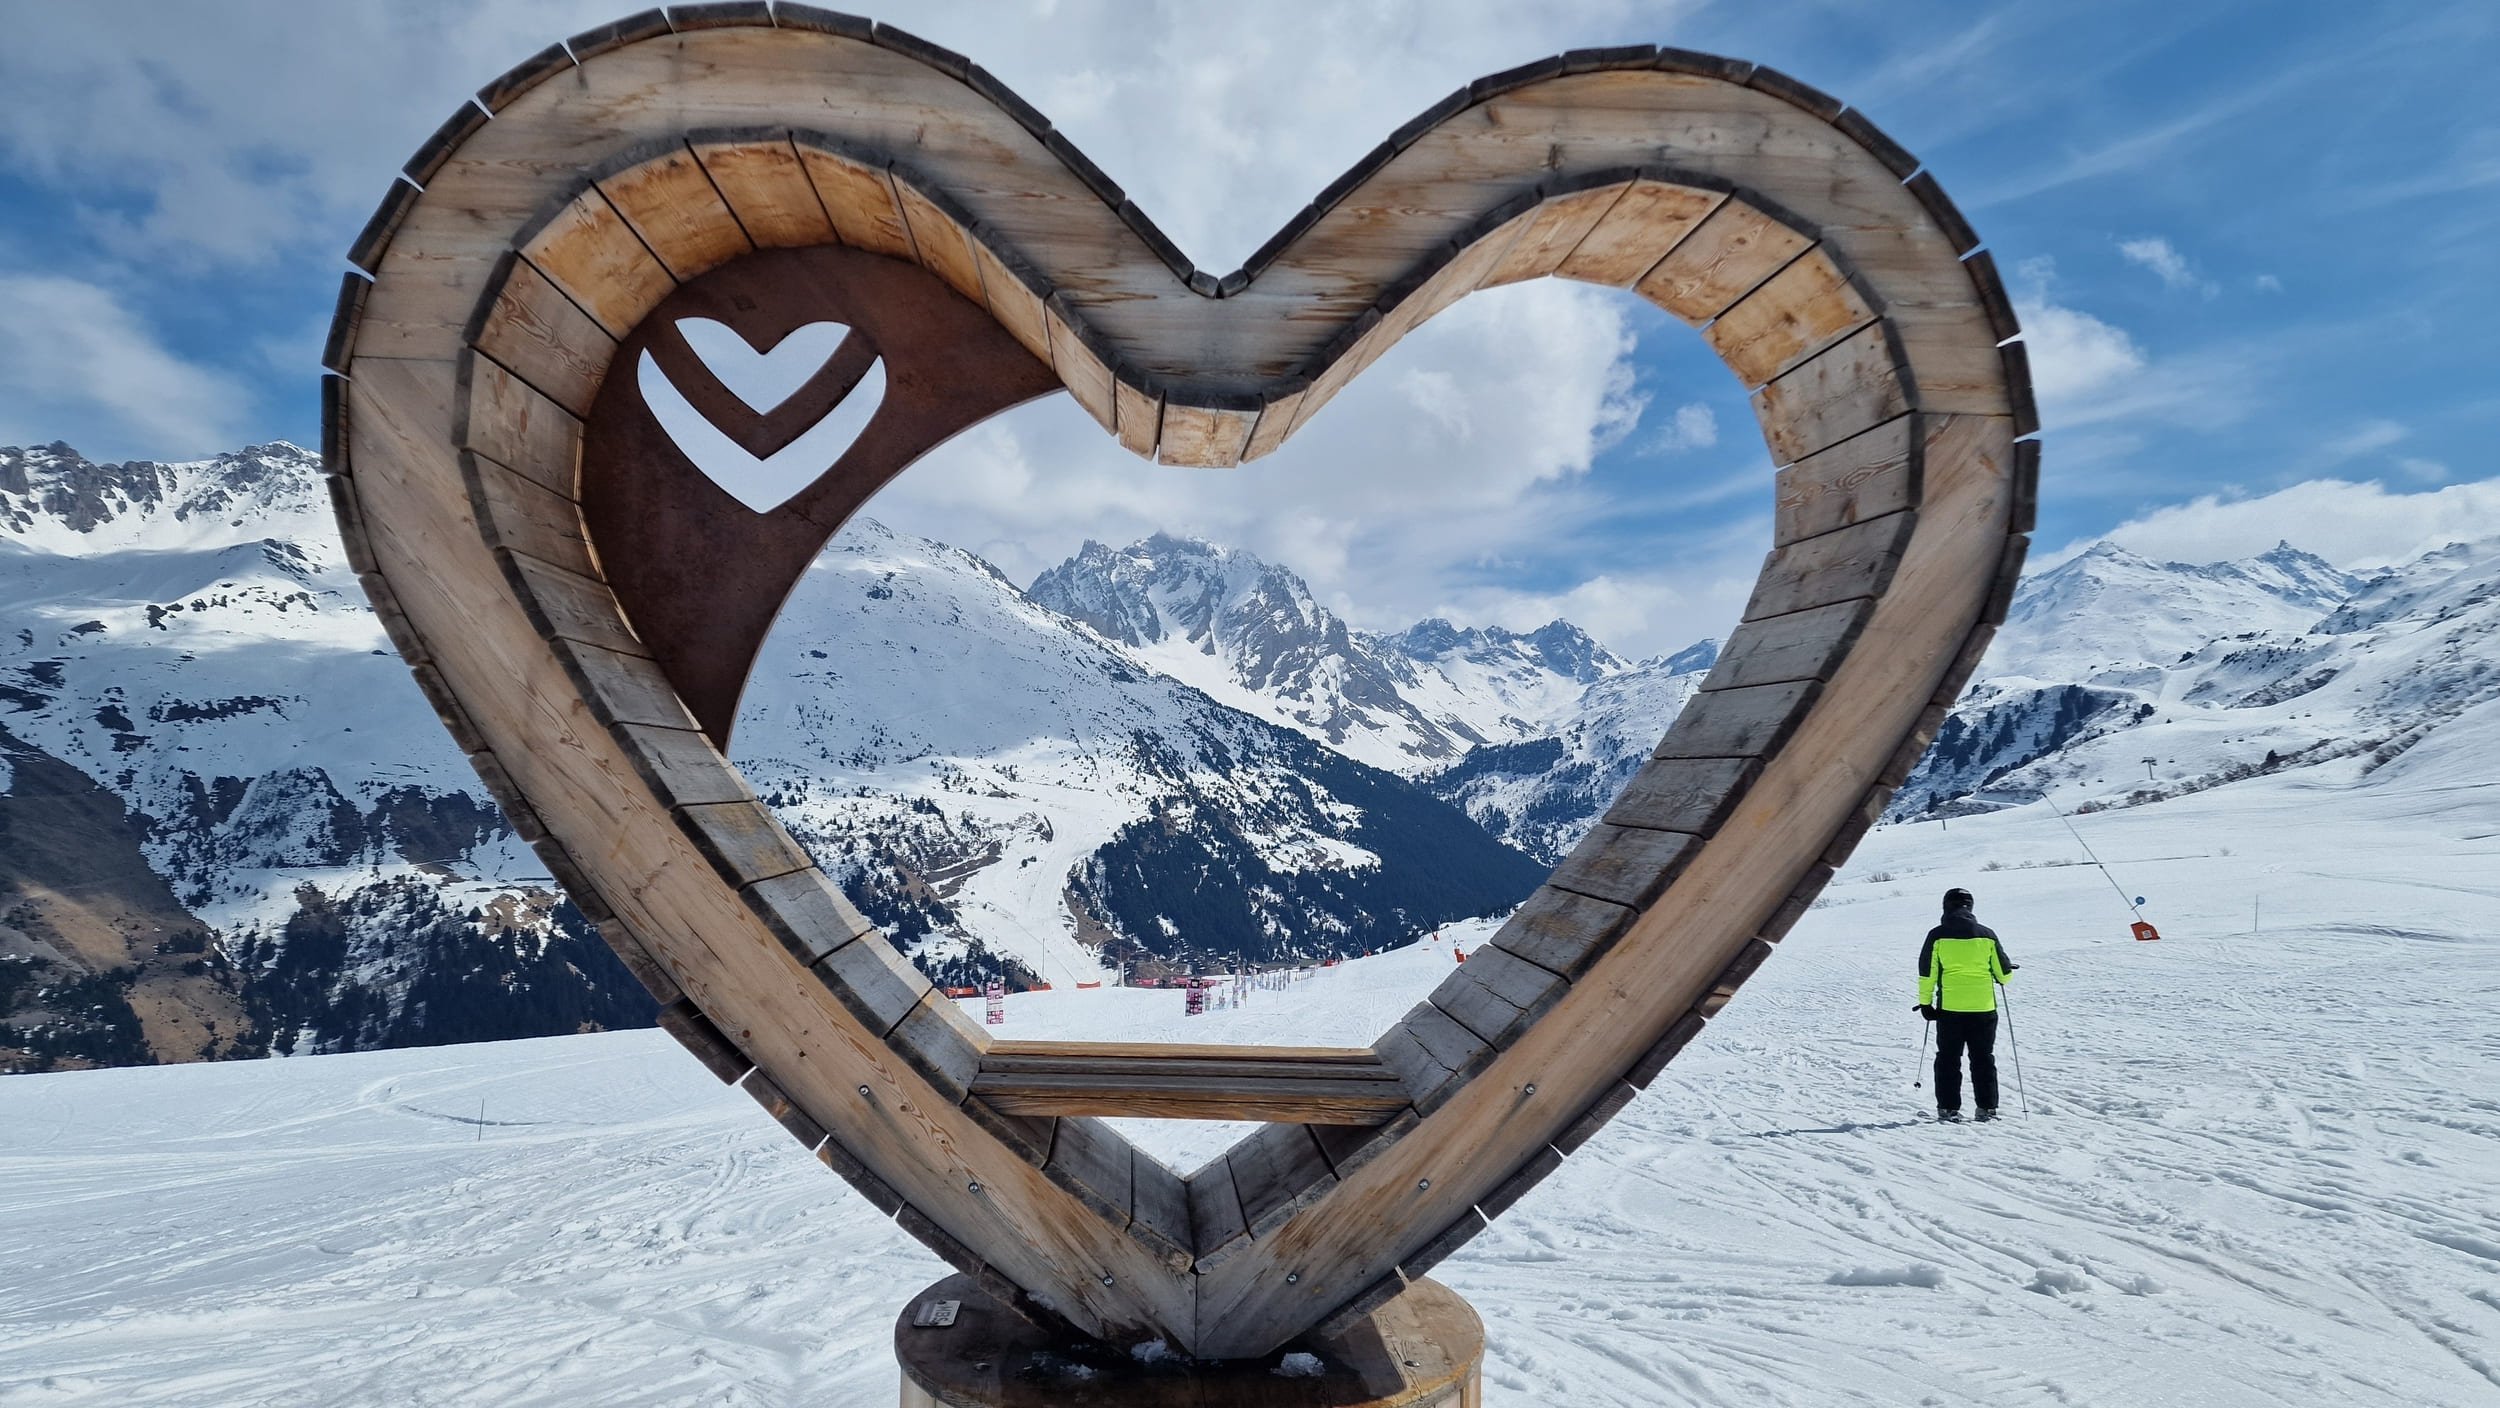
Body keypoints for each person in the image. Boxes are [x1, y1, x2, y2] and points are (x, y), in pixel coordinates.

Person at [1917, 887, 2017, 1122]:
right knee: (1983, 1058)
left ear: (1946, 907)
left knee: (1949, 1058)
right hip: (1983, 1008)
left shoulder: (1937, 935)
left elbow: (1927, 972)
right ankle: (1987, 1108)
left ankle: (1948, 1108)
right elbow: (2003, 975)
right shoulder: (1987, 934)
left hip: (1950, 1009)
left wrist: (1925, 1003)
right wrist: (2007, 969)